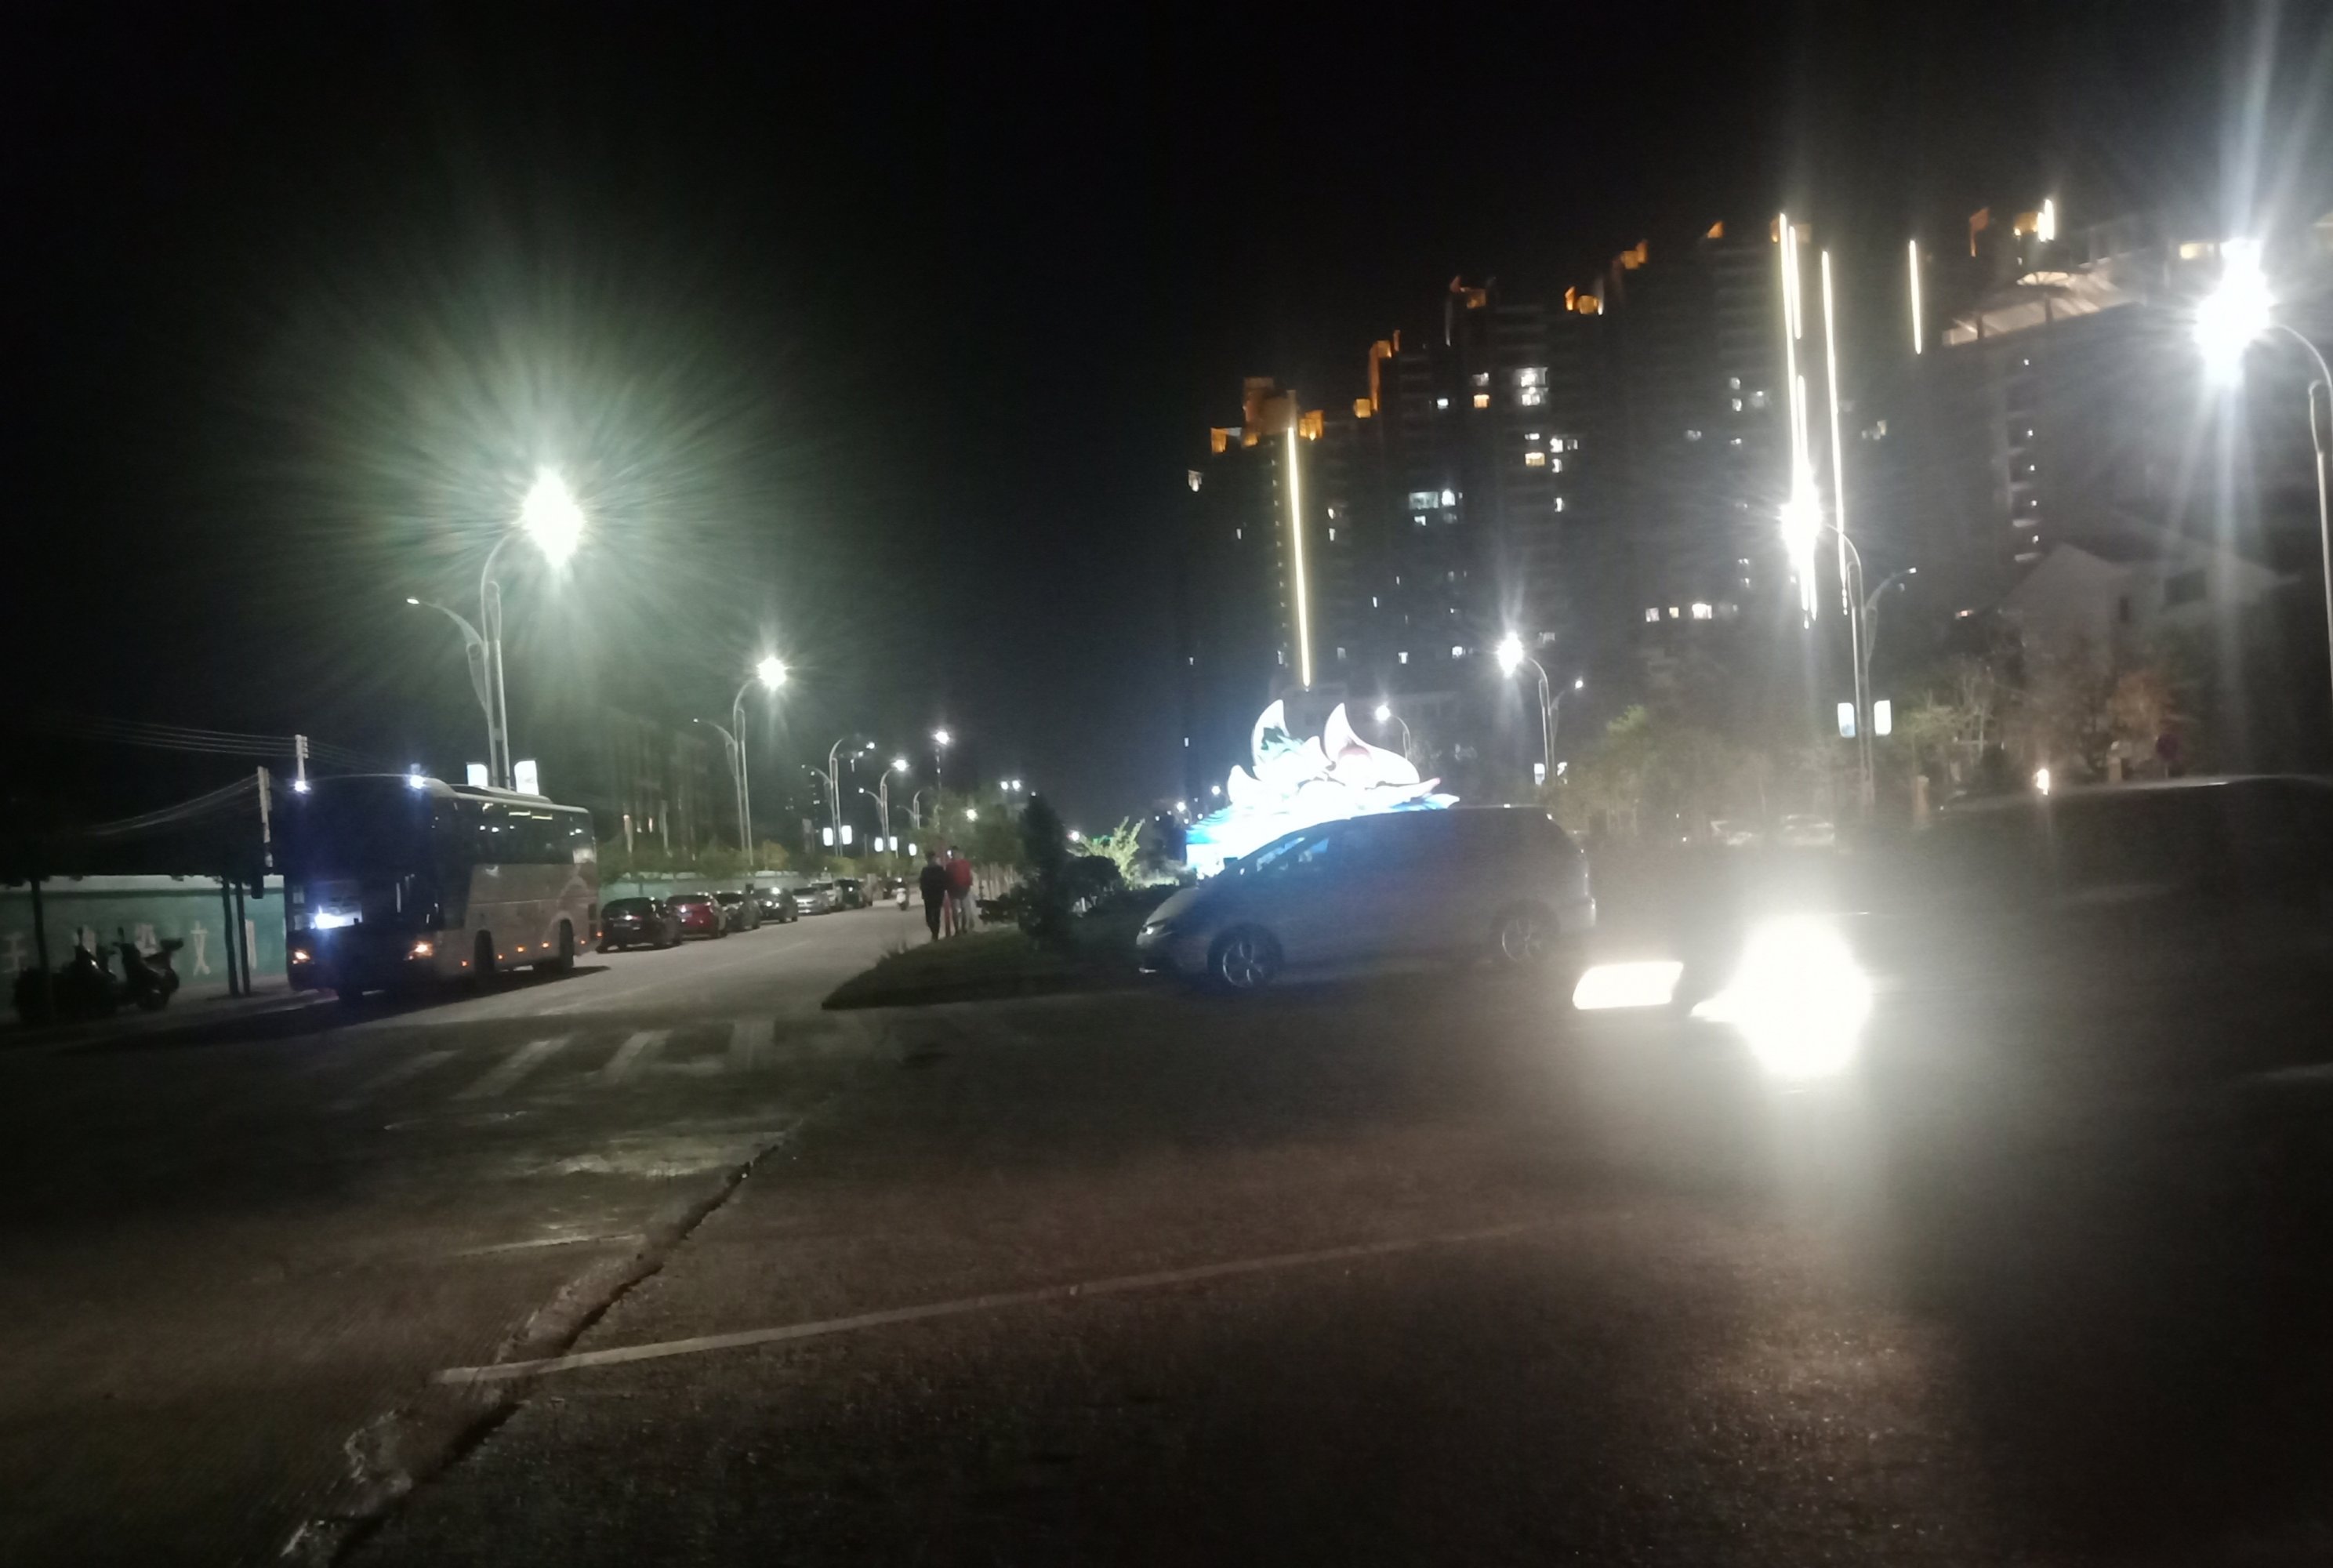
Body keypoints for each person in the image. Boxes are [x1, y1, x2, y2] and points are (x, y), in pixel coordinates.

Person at [917, 851, 949, 942]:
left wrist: (924, 892)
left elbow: (922, 883)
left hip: (930, 895)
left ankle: (935, 934)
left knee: (931, 917)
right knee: (935, 916)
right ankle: (935, 934)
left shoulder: (927, 870)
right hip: (936, 895)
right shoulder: (938, 869)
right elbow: (944, 881)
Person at [945, 846, 974, 935]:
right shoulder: (965, 863)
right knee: (963, 908)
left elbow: (947, 878)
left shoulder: (949, 865)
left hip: (955, 889)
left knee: (955, 909)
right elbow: (969, 876)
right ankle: (963, 928)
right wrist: (969, 885)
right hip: (962, 888)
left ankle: (958, 930)